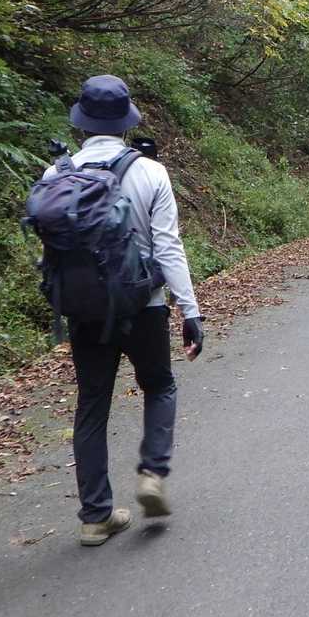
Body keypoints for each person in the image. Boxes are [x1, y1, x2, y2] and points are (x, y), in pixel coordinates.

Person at [50, 75, 205, 546]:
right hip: (144, 305)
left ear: (81, 123)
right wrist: (190, 310)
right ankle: (152, 473)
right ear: (126, 123)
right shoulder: (150, 172)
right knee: (159, 385)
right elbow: (168, 246)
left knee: (92, 404)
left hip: (85, 311)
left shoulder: (57, 174)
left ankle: (95, 516)